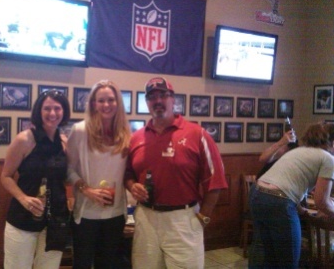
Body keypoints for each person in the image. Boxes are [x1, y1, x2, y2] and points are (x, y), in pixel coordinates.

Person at [124, 77, 228, 269]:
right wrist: (132, 186)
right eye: (152, 97)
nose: (158, 101)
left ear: (173, 99)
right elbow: (127, 174)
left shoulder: (197, 134)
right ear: (147, 102)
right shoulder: (136, 138)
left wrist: (203, 217)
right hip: (145, 218)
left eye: (163, 95)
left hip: (183, 219)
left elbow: (216, 181)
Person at [1, 89, 71, 269]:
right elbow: (6, 176)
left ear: (64, 112)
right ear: (39, 111)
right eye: (47, 108)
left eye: (58, 108)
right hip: (23, 219)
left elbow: (68, 178)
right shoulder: (24, 139)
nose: (53, 113)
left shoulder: (64, 142)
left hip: (56, 221)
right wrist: (23, 198)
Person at [249, 122, 334, 268]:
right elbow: (321, 201)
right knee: (288, 261)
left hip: (257, 194)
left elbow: (290, 184)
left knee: (268, 257)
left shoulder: (300, 151)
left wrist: (303, 211)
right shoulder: (328, 159)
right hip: (279, 202)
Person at [66, 80, 132, 269]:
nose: (106, 105)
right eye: (100, 100)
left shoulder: (126, 133)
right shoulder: (80, 130)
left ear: (118, 102)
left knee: (109, 264)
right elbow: (68, 170)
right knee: (83, 264)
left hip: (116, 213)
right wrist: (86, 190)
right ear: (93, 104)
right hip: (86, 214)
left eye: (111, 100)